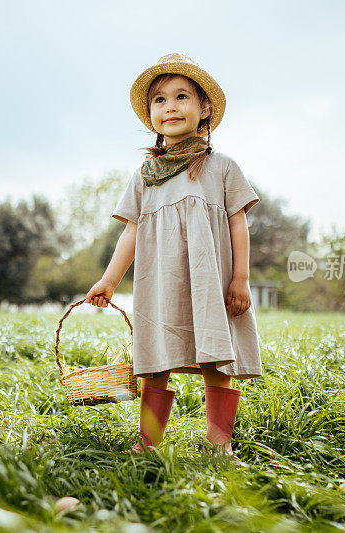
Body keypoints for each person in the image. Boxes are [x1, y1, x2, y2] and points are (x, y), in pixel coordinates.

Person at [85, 53, 262, 460]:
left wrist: (240, 279)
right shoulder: (145, 173)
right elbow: (131, 230)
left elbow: (238, 224)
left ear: (204, 110)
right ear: (151, 116)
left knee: (215, 358)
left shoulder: (222, 167)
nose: (171, 107)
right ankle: (147, 443)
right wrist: (109, 280)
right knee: (155, 360)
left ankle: (220, 444)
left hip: (209, 281)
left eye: (182, 96)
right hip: (161, 283)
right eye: (160, 100)